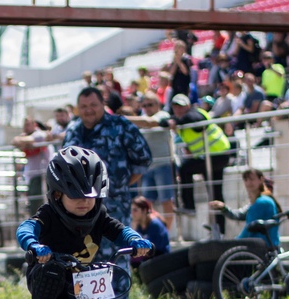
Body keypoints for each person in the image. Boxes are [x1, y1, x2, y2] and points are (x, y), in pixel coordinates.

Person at [15, 148, 152, 299]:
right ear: (58, 194)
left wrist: (135, 240)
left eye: (91, 196)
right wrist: (34, 245)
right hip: (45, 279)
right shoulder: (49, 214)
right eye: (75, 196)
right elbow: (26, 228)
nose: (85, 202)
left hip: (79, 281)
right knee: (52, 270)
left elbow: (119, 230)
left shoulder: (99, 215)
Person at [62, 86, 152, 247]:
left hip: (114, 209)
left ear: (103, 104)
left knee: (117, 262)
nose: (88, 110)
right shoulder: (72, 131)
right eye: (83, 106)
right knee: (82, 266)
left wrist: (120, 184)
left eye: (93, 105)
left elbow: (143, 159)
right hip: (79, 215)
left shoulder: (120, 126)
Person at [169, 93, 234, 237]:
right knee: (215, 193)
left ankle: (189, 206)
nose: (178, 110)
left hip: (217, 155)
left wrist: (176, 121)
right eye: (175, 107)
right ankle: (219, 228)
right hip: (211, 156)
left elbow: (197, 123)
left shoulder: (195, 113)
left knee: (185, 169)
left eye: (180, 106)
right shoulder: (182, 120)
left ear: (188, 105)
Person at [129, 93, 177, 231]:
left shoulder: (163, 115)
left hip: (163, 165)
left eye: (150, 105)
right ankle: (153, 231)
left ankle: (165, 234)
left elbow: (150, 123)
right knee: (146, 203)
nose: (147, 108)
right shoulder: (142, 120)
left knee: (166, 200)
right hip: (148, 167)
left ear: (158, 105)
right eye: (144, 105)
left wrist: (124, 118)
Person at [210, 168, 282, 250]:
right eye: (245, 180)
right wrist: (223, 208)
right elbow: (240, 215)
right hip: (267, 245)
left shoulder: (262, 202)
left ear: (261, 179)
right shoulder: (261, 200)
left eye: (251, 179)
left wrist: (233, 243)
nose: (248, 183)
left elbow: (249, 230)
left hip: (263, 247)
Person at [12, 116, 54, 214]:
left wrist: (24, 141)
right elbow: (15, 141)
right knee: (33, 204)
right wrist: (23, 141)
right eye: (25, 125)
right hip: (32, 175)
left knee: (40, 204)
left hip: (43, 174)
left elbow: (32, 139)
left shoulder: (38, 135)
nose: (26, 127)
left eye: (28, 125)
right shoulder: (26, 136)